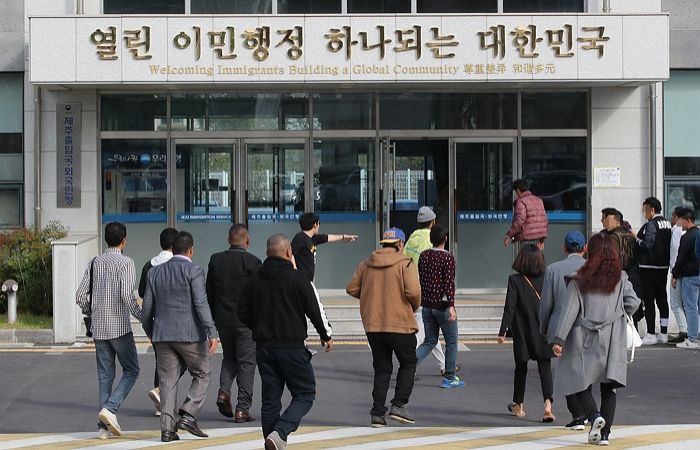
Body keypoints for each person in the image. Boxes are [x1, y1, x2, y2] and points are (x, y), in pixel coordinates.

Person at [239, 234, 333, 450]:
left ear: (267, 252)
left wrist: (258, 328)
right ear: (289, 253)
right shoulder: (298, 278)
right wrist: (325, 335)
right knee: (305, 393)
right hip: (292, 347)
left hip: (263, 347)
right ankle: (280, 432)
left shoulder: (254, 280)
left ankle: (272, 441)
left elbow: (242, 312)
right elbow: (314, 309)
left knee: (270, 401)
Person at [550, 233, 641, 446]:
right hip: (613, 338)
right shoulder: (621, 278)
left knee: (577, 378)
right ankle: (605, 435)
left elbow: (569, 312)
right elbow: (634, 303)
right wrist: (618, 313)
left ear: (590, 252)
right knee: (609, 387)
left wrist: (559, 339)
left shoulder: (579, 279)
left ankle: (593, 416)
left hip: (584, 336)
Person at [141, 231, 220, 443]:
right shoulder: (194, 270)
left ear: (172, 249)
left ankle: (167, 431)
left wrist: (151, 333)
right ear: (191, 250)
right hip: (189, 334)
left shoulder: (154, 273)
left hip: (162, 335)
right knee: (203, 372)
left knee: (167, 381)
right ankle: (188, 414)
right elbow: (201, 303)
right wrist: (211, 331)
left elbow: (147, 309)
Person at [346, 227, 421, 427]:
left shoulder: (366, 264)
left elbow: (351, 288)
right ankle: (399, 405)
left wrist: (372, 296)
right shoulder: (406, 263)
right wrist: (412, 306)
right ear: (400, 244)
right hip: (400, 323)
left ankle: (378, 413)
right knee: (408, 362)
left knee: (382, 368)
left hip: (374, 325)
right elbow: (413, 292)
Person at [75, 222, 142, 440]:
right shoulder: (126, 262)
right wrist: (140, 316)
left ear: (106, 239)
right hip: (120, 328)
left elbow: (79, 295)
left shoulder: (94, 263)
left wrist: (90, 310)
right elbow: (126, 295)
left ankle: (102, 428)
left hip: (99, 329)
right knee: (132, 370)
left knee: (105, 378)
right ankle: (110, 409)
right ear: (124, 240)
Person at [207, 224, 262, 422]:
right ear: (247, 240)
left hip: (223, 320)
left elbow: (209, 293)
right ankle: (242, 408)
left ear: (228, 240)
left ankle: (223, 392)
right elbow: (259, 296)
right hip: (246, 323)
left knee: (229, 358)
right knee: (247, 363)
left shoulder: (216, 260)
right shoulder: (254, 262)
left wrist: (211, 322)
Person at [498, 244, 554, 422]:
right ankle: (547, 406)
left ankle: (519, 405)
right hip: (543, 330)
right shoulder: (547, 278)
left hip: (522, 331)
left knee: (521, 368)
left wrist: (502, 331)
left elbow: (510, 307)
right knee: (544, 367)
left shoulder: (515, 280)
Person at [539, 230, 588, 431]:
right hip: (588, 326)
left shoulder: (553, 269)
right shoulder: (593, 268)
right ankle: (586, 410)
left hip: (561, 327)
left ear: (564, 248)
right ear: (584, 249)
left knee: (566, 369)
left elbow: (546, 303)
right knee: (586, 368)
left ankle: (577, 414)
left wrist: (544, 326)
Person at [137, 227, 183, 417]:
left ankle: (161, 399)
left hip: (156, 320)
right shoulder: (180, 265)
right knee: (181, 360)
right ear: (175, 245)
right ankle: (162, 395)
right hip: (176, 319)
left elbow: (141, 293)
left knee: (161, 360)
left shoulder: (149, 265)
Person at [415, 225, 463, 389]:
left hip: (427, 305)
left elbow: (422, 279)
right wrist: (451, 305)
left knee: (429, 341)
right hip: (442, 307)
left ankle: (409, 367)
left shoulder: (424, 256)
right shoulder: (448, 258)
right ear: (446, 239)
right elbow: (449, 284)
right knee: (451, 342)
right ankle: (449, 377)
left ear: (431, 240)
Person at [404, 206, 446, 377]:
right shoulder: (429, 241)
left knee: (430, 331)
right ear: (433, 222)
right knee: (423, 332)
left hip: (410, 289)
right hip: (424, 292)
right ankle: (409, 366)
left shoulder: (411, 239)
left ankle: (444, 366)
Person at [636, 197, 672, 345]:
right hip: (663, 267)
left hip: (649, 267)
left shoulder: (651, 224)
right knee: (662, 299)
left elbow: (648, 245)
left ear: (652, 210)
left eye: (645, 209)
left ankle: (650, 333)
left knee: (649, 300)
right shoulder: (667, 224)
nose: (643, 212)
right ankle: (663, 332)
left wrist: (636, 239)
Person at [291, 212, 357, 283]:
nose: (319, 225)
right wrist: (295, 271)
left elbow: (328, 238)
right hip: (301, 280)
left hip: (307, 280)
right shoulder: (300, 237)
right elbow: (290, 253)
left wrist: (344, 236)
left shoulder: (312, 238)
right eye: (319, 223)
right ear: (315, 225)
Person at [670, 208, 699, 349]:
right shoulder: (698, 234)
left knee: (691, 308)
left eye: (681, 220)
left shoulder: (687, 237)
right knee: (697, 308)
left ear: (687, 220)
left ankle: (693, 339)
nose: (679, 223)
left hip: (690, 276)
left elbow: (680, 259)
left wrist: (674, 275)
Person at [504, 178, 548, 248]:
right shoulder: (539, 200)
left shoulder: (521, 202)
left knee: (526, 258)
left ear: (518, 190)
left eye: (515, 192)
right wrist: (542, 240)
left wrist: (509, 235)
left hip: (527, 238)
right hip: (538, 239)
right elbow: (544, 220)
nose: (516, 195)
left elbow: (519, 221)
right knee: (536, 259)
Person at [668, 207, 688, 344]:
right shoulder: (692, 231)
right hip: (689, 273)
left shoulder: (676, 232)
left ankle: (684, 331)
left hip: (679, 273)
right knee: (689, 304)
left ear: (676, 216)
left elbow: (676, 254)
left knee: (675, 303)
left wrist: (674, 273)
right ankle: (692, 331)